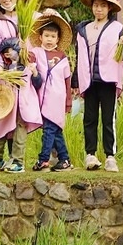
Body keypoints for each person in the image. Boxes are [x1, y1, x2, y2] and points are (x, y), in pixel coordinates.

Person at [72, 0, 123, 172]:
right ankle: (90, 154)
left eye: (103, 6)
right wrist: (76, 80)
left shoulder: (117, 29)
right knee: (89, 118)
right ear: (92, 7)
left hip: (108, 80)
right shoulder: (83, 29)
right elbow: (79, 56)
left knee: (108, 118)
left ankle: (110, 156)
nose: (99, 9)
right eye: (96, 5)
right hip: (89, 81)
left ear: (109, 8)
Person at [30, 16, 74, 172]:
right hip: (43, 98)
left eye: (53, 36)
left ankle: (43, 160)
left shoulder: (62, 57)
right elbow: (29, 62)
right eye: (46, 36)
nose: (49, 39)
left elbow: (67, 82)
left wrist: (68, 102)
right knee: (54, 131)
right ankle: (65, 159)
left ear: (58, 39)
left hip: (56, 98)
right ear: (40, 37)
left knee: (49, 130)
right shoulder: (35, 53)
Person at [0, 38, 43, 173]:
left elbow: (37, 83)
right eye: (14, 50)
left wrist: (35, 73)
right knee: (0, 130)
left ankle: (17, 161)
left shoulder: (28, 67)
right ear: (6, 55)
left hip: (23, 106)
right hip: (7, 106)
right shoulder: (3, 70)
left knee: (20, 132)